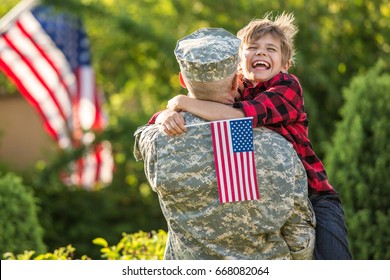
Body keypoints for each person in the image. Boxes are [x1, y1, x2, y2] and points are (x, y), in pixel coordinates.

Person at [155, 13, 352, 260]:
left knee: (335, 261)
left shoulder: (287, 87)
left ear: (285, 64)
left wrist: (182, 102)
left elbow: (244, 116)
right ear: (239, 62)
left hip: (314, 194)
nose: (261, 53)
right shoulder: (236, 89)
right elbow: (201, 113)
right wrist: (165, 115)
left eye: (271, 49)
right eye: (252, 48)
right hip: (266, 195)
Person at [134, 27, 315, 260]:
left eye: (270, 49)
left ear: (181, 79)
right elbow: (300, 237)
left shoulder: (157, 141)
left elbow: (141, 136)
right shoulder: (279, 148)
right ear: (236, 81)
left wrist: (165, 115)